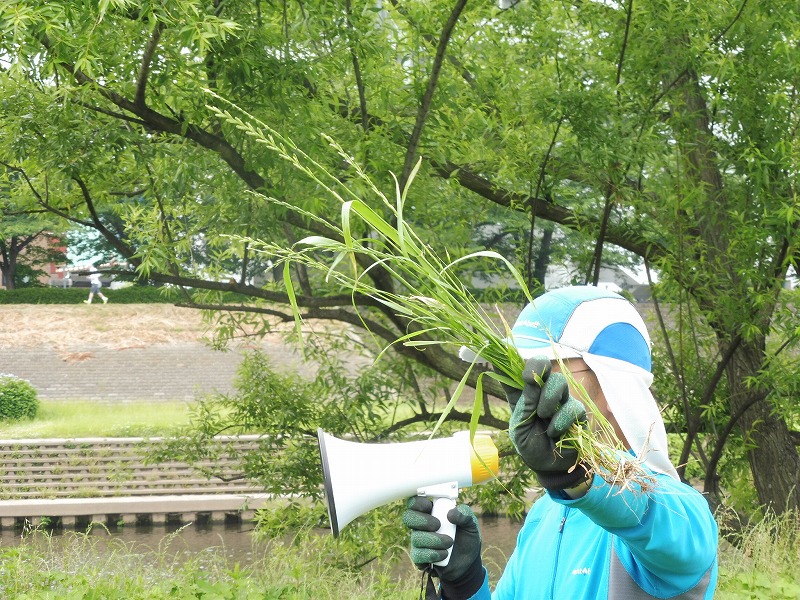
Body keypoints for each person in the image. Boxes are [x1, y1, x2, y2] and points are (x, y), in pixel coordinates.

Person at [403, 285, 718, 599]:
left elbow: (646, 508)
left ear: (615, 386)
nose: (524, 393)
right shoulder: (544, 514)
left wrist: (581, 475)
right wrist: (465, 582)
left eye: (542, 373)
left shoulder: (678, 515)